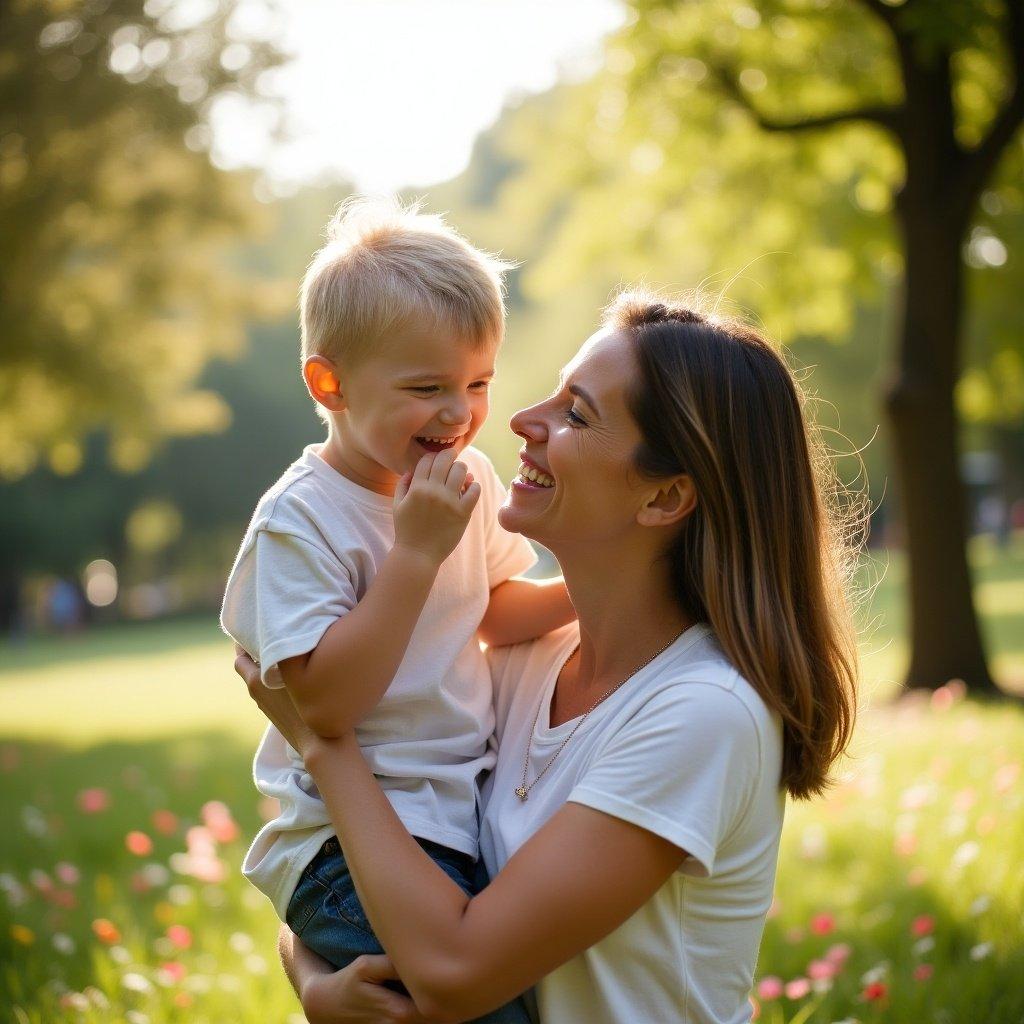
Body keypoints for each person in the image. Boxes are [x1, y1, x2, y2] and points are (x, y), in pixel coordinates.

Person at [236, 291, 860, 1024]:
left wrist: (319, 738)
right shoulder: (514, 666)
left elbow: (451, 970)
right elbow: (367, 877)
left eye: (576, 414)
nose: (518, 420)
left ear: (664, 497)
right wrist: (313, 980)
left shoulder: (702, 712)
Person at [220, 197, 575, 1023]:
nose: (460, 414)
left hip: (449, 823)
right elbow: (328, 709)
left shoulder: (468, 480)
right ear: (329, 382)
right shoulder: (299, 522)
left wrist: (595, 601)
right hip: (346, 850)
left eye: (478, 383)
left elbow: (492, 612)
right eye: (426, 388)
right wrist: (414, 554)